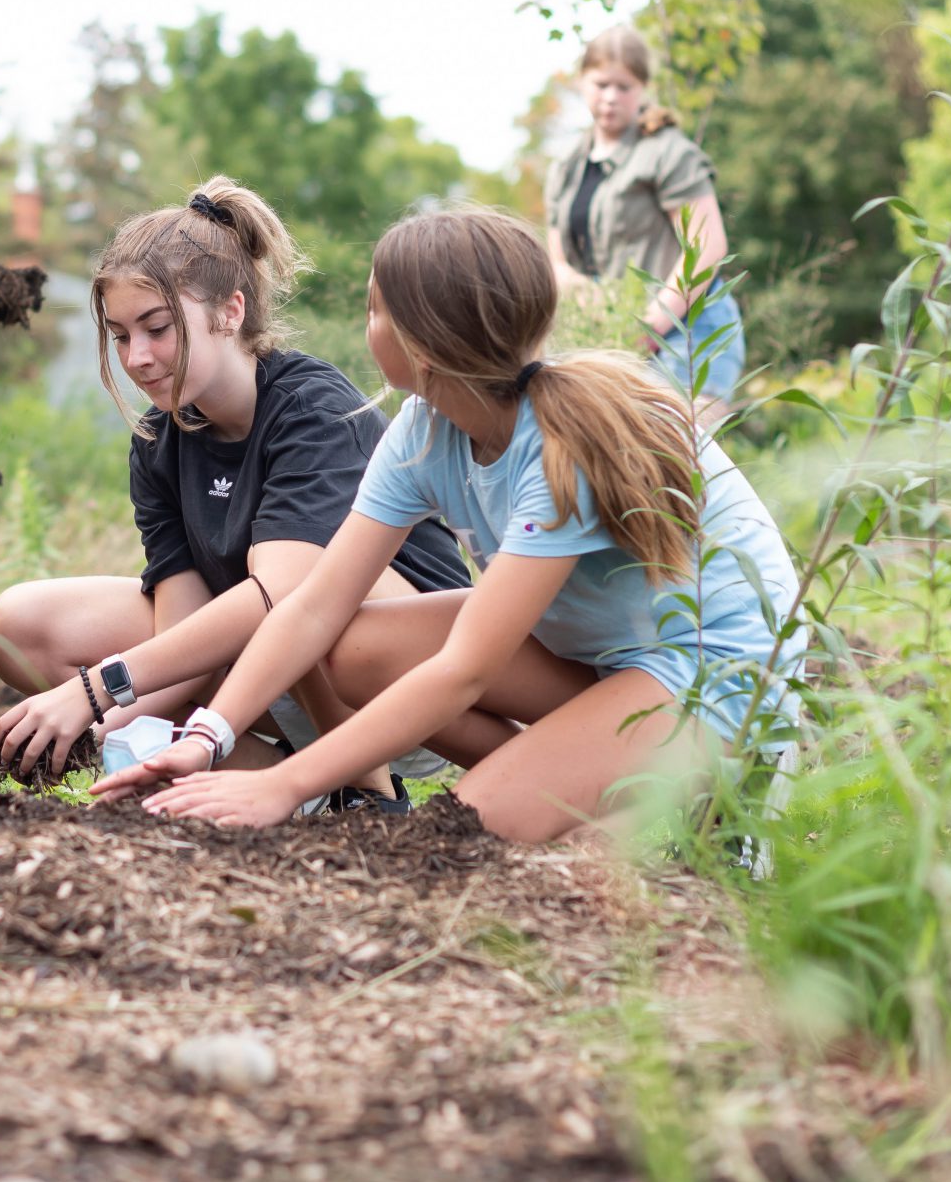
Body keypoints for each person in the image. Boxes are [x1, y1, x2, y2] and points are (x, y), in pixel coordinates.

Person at [95, 204, 803, 845]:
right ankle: (591, 779)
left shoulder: (560, 447)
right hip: (607, 656)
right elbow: (315, 604)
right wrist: (208, 733)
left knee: (479, 830)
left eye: (374, 306)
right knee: (355, 647)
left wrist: (286, 782)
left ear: (423, 345)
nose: (363, 321)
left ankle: (713, 797)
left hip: (713, 675)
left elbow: (465, 669)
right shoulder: (424, 429)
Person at [0, 179, 471, 805]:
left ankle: (368, 793)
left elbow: (287, 598)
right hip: (266, 674)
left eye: (157, 328)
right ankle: (277, 787)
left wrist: (94, 689)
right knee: (21, 624)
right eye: (121, 335)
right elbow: (180, 629)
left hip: (402, 676)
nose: (137, 357)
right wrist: (113, 730)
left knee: (305, 581)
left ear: (230, 312)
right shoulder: (159, 439)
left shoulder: (313, 409)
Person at [544, 24, 747, 410]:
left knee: (676, 460)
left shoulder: (668, 153)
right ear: (582, 82)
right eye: (601, 84)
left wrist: (653, 323)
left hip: (687, 334)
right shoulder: (566, 167)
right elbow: (557, 260)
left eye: (624, 86)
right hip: (614, 338)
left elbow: (707, 247)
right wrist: (581, 293)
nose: (611, 97)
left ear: (642, 89)